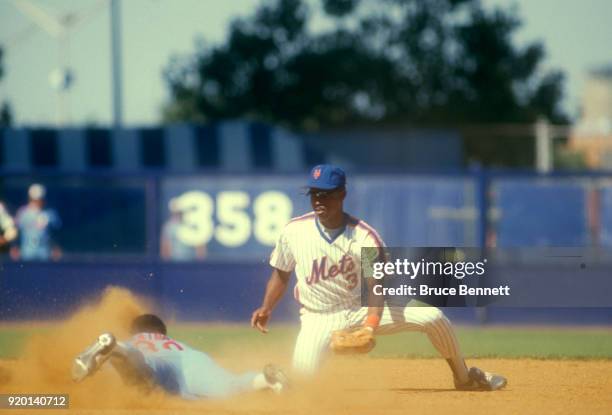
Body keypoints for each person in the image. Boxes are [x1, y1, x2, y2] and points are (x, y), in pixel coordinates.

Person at [251, 164, 507, 391]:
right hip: (318, 316)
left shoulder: (365, 237)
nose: (319, 199)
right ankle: (270, 384)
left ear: (342, 194)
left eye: (326, 194)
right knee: (303, 383)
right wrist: (266, 306)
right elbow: (281, 273)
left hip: (360, 308)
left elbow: (376, 287)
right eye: (314, 193)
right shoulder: (294, 231)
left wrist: (369, 326)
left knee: (433, 317)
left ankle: (464, 377)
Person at [72, 314, 288, 399]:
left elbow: (103, 380)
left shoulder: (136, 341)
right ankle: (266, 379)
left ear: (136, 332)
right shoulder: (173, 343)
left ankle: (114, 347)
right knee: (230, 387)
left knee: (137, 373)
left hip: (148, 359)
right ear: (162, 333)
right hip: (192, 360)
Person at [11, 184, 62, 261]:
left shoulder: (50, 213)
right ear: (30, 199)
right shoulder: (22, 213)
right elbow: (15, 231)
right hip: (26, 254)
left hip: (45, 254)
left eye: (39, 199)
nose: (37, 202)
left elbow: (56, 233)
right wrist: (14, 247)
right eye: (34, 199)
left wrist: (56, 247)